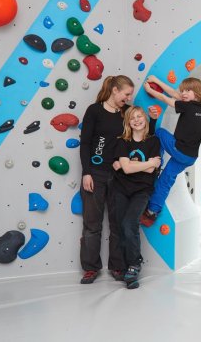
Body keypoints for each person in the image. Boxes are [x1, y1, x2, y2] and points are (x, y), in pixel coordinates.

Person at [79, 75, 155, 284]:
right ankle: (90, 268)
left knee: (117, 225)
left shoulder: (125, 114)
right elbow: (85, 143)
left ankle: (118, 267)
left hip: (119, 178)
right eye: (127, 94)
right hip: (95, 174)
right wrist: (86, 172)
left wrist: (153, 120)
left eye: (130, 95)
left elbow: (141, 136)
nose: (129, 98)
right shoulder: (94, 111)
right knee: (92, 224)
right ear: (114, 90)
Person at [140, 75, 201, 227]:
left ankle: (156, 163)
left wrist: (150, 88)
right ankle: (151, 212)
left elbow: (165, 98)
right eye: (183, 90)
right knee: (166, 179)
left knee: (161, 133)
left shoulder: (188, 106)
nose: (183, 93)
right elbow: (174, 94)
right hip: (190, 157)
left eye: (187, 90)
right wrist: (157, 81)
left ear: (196, 92)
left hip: (181, 150)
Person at [113, 106, 161, 289]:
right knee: (120, 226)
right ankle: (126, 266)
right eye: (132, 118)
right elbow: (127, 168)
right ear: (128, 123)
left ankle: (134, 264)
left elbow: (149, 170)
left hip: (142, 190)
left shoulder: (153, 141)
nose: (137, 120)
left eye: (140, 116)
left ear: (145, 120)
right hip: (121, 189)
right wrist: (148, 162)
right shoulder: (122, 142)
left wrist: (133, 165)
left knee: (129, 223)